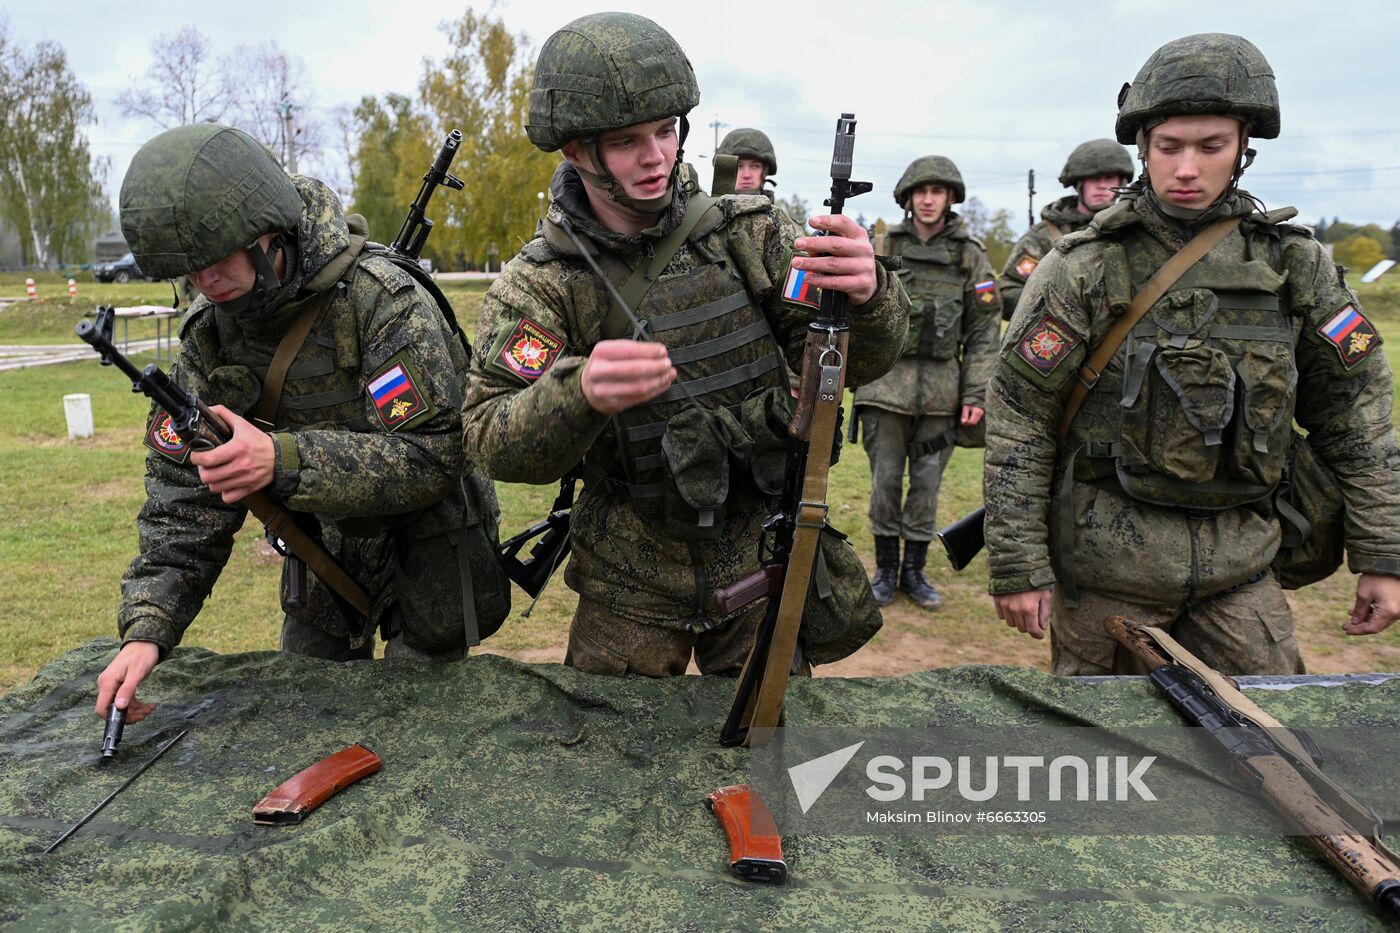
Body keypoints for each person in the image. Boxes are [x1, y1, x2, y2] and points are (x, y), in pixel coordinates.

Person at [463, 12, 908, 677]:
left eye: (666, 131)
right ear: (577, 151)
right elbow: (489, 435)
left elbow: (856, 365)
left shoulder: (749, 235)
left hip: (761, 566)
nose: (656, 156)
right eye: (626, 140)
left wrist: (868, 297)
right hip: (627, 593)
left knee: (773, 766)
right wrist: (577, 392)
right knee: (616, 768)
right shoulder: (544, 282)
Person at [983, 33, 1400, 676]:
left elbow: (1356, 414)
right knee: (1107, 768)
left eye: (1211, 147)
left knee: (1272, 752)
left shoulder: (1293, 262)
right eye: (1169, 147)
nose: (1186, 168)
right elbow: (1020, 416)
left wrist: (1382, 554)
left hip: (1244, 574)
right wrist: (1018, 565)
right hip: (1105, 579)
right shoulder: (1086, 266)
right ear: (1144, 149)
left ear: (1242, 151)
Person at [95, 123, 509, 723]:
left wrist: (282, 459)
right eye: (188, 269)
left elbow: (434, 457)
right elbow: (184, 500)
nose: (203, 283)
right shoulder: (209, 335)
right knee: (303, 726)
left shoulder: (382, 301)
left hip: (431, 552)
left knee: (422, 739)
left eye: (213, 261)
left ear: (267, 232)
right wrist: (147, 630)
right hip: (324, 561)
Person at [853, 156, 1001, 609]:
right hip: (884, 388)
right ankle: (886, 571)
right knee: (883, 484)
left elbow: (984, 330)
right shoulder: (880, 244)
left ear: (951, 197)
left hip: (942, 395)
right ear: (908, 198)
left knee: (926, 487)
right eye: (921, 191)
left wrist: (975, 393)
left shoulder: (969, 255)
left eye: (938, 191)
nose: (929, 199)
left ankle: (915, 572)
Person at [997, 138, 1134, 320]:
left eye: (1109, 178)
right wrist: (1056, 306)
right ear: (1078, 184)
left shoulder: (1135, 228)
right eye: (1094, 178)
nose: (1102, 185)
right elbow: (1008, 293)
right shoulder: (1043, 236)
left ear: (1121, 182)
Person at [716, 127, 778, 197]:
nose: (747, 175)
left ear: (764, 171)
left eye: (755, 166)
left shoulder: (778, 208)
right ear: (724, 171)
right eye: (738, 166)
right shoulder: (704, 207)